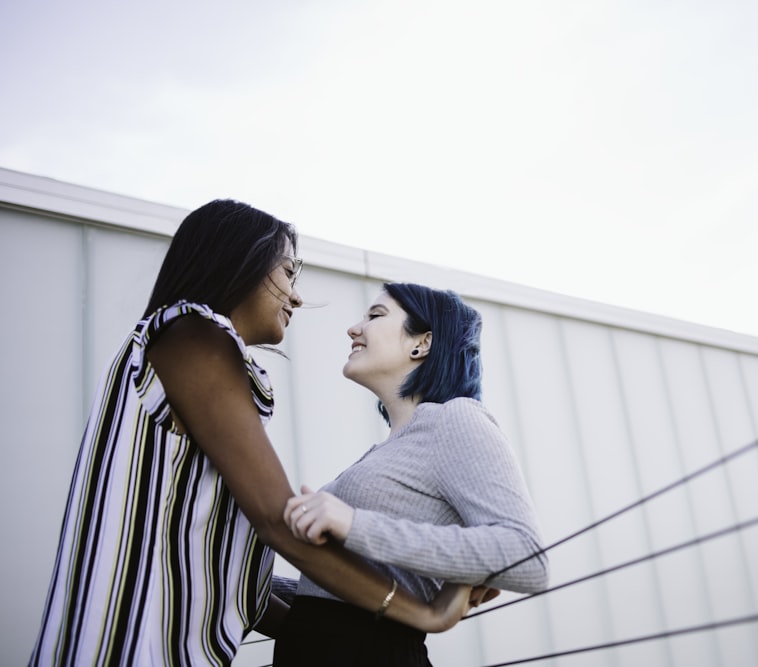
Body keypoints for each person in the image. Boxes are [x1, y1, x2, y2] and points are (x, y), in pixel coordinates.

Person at [29, 201, 472, 667]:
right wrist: (422, 612)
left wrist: (381, 616)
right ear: (238, 260)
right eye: (288, 271)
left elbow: (252, 598)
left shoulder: (192, 355)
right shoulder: (190, 334)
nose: (296, 297)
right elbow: (277, 519)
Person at [273, 282, 550, 666]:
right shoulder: (391, 447)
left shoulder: (456, 418)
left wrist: (354, 523)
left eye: (375, 316)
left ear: (421, 343)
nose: (354, 328)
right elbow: (335, 598)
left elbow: (527, 558)